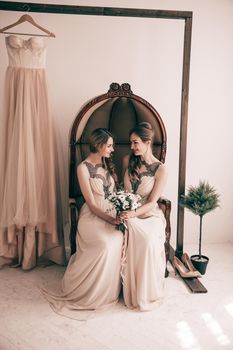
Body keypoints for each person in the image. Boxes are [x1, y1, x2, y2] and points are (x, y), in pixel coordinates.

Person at [41, 128, 123, 319]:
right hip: (92, 216)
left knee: (118, 238)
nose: (113, 149)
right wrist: (111, 219)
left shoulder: (107, 164)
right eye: (110, 145)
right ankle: (89, 291)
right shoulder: (82, 168)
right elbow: (92, 204)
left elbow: (115, 193)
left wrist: (120, 210)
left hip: (112, 212)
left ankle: (109, 291)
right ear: (99, 145)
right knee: (104, 244)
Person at [120, 122, 167, 311]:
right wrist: (125, 209)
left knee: (147, 241)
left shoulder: (161, 169)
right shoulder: (127, 161)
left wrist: (133, 213)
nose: (132, 147)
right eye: (131, 143)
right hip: (130, 214)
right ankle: (126, 287)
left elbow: (152, 202)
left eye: (135, 142)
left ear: (148, 142)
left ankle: (145, 292)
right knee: (128, 227)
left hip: (149, 216)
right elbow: (124, 191)